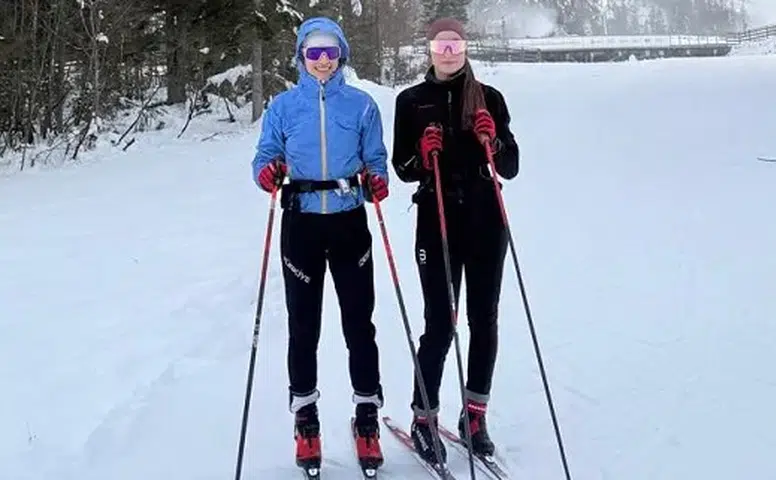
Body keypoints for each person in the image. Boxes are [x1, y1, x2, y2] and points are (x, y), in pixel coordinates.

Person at [251, 16, 390, 472]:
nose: (323, 60)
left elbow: (376, 159)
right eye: (314, 53)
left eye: (330, 52)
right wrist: (267, 172)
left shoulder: (362, 105)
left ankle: (367, 414)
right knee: (303, 327)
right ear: (301, 57)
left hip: (349, 221)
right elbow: (264, 156)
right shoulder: (284, 107)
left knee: (358, 324)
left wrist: (376, 180)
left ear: (342, 55)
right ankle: (305, 418)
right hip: (302, 224)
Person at [390, 17, 520, 464]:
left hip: (486, 218)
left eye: (456, 43)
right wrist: (423, 156)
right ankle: (423, 419)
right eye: (441, 44)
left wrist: (496, 140)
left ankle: (475, 415)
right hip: (437, 220)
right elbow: (402, 167)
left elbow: (512, 165)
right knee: (441, 324)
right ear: (429, 49)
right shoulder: (411, 101)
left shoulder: (490, 98)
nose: (448, 51)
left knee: (484, 320)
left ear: (466, 47)